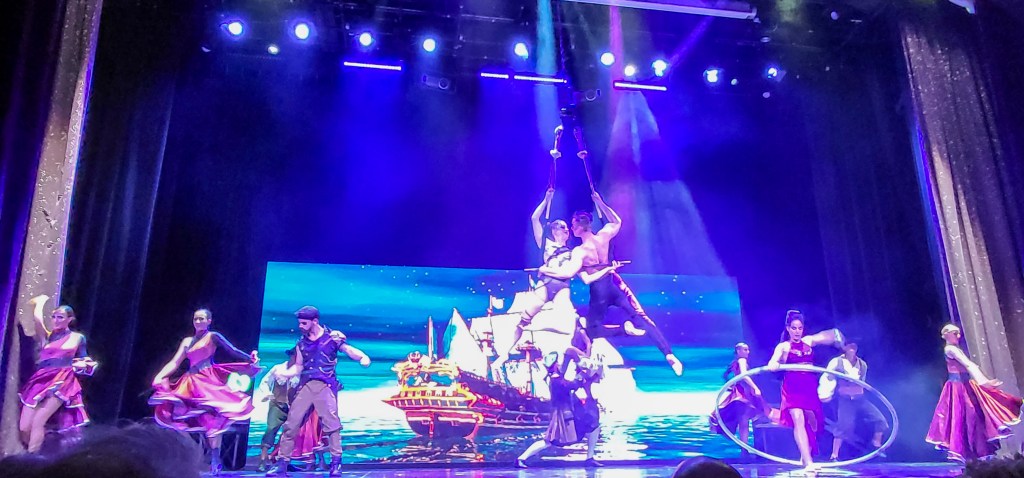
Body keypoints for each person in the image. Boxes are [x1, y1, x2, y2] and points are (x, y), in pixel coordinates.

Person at [543, 191, 683, 376]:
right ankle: (669, 355)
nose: (571, 228)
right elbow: (616, 221)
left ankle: (623, 330)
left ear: (579, 227)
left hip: (599, 291)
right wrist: (600, 202)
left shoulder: (580, 252)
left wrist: (545, 270)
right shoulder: (603, 236)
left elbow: (569, 273)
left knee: (592, 331)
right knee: (641, 318)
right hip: (614, 285)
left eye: (573, 225)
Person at [150, 309, 260, 475]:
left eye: (201, 319)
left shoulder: (213, 336)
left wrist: (250, 359)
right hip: (190, 382)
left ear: (209, 321)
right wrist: (160, 375)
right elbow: (175, 362)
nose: (198, 321)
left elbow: (233, 351)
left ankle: (215, 458)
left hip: (207, 380)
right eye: (196, 319)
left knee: (212, 420)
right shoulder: (187, 341)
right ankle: (187, 457)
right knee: (179, 416)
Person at [266, 306, 372, 477]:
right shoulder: (301, 343)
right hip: (306, 386)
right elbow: (298, 366)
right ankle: (282, 464)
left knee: (332, 425)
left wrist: (362, 357)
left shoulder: (332, 338)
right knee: (291, 424)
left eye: (304, 323)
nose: (300, 326)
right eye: (300, 323)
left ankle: (336, 463)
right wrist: (285, 373)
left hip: (325, 385)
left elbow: (348, 349)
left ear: (314, 321)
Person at [500, 189, 577, 365]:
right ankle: (505, 353)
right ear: (555, 230)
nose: (566, 230)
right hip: (545, 286)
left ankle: (565, 353)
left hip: (562, 287)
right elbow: (535, 218)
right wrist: (546, 199)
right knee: (522, 321)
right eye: (563, 227)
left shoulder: (574, 252)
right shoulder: (545, 244)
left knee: (568, 321)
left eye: (566, 228)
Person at [926, 324, 1023, 462]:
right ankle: (970, 452)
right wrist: (983, 382)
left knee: (976, 415)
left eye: (958, 333)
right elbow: (968, 365)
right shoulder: (950, 349)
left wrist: (982, 382)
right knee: (961, 418)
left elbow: (969, 366)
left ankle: (979, 451)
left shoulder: (955, 349)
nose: (958, 336)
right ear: (946, 335)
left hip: (965, 385)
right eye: (955, 333)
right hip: (958, 387)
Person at [18, 295, 97, 453]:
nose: (55, 320)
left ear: (70, 319)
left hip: (62, 379)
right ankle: (39, 448)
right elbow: (38, 322)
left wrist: (84, 364)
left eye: (60, 317)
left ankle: (32, 457)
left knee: (38, 421)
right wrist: (39, 303)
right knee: (24, 427)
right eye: (53, 317)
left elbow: (84, 358)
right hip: (41, 379)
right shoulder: (47, 337)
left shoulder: (77, 338)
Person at [766, 310, 844, 470]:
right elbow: (772, 362)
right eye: (794, 328)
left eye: (800, 328)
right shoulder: (784, 346)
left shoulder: (808, 341)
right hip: (792, 388)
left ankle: (805, 455)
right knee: (798, 419)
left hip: (808, 387)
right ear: (788, 328)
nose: (797, 331)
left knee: (813, 422)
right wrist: (774, 364)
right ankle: (808, 462)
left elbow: (828, 335)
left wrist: (838, 338)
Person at [516, 349, 603, 468]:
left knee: (592, 428)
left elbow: (568, 355)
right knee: (549, 441)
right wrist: (582, 374)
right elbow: (573, 385)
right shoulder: (556, 380)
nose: (560, 364)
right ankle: (521, 458)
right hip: (563, 415)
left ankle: (589, 458)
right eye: (558, 363)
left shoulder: (556, 378)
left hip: (567, 413)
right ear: (555, 365)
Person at [820, 342, 888, 461]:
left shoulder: (862, 365)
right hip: (845, 401)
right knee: (844, 426)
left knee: (880, 420)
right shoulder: (836, 362)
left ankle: (876, 445)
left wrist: (856, 389)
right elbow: (828, 378)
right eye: (849, 346)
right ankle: (834, 455)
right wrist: (826, 393)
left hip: (859, 399)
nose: (852, 349)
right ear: (845, 347)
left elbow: (862, 384)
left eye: (854, 347)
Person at [710, 343, 769, 456]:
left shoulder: (734, 362)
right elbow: (744, 375)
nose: (748, 352)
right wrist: (755, 387)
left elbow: (725, 375)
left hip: (740, 391)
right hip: (743, 393)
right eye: (745, 350)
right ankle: (744, 450)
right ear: (738, 351)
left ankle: (744, 449)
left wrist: (732, 384)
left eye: (748, 350)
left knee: (744, 421)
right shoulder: (742, 360)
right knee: (745, 421)